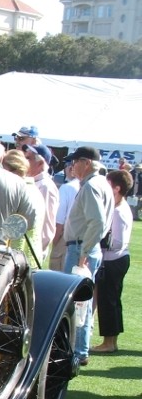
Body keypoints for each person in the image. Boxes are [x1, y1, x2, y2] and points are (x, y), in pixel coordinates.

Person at [63, 146, 115, 366]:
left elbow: (98, 221)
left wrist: (84, 251)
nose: (71, 167)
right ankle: (79, 350)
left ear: (85, 162)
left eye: (74, 162)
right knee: (81, 301)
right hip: (85, 247)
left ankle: (76, 351)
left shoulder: (92, 185)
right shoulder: (100, 183)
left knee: (76, 302)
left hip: (81, 249)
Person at [93, 169, 133, 353]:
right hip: (116, 259)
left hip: (113, 260)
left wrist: (99, 241)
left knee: (108, 301)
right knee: (111, 301)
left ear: (116, 188)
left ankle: (109, 342)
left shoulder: (118, 211)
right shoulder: (119, 207)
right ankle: (111, 341)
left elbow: (116, 242)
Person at [0, 149, 44, 257]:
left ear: (14, 171)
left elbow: (18, 229)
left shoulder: (22, 191)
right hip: (29, 253)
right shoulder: (32, 189)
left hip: (20, 256)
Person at [23, 143, 59, 262]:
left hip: (31, 251)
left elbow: (47, 225)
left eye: (28, 158)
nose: (24, 160)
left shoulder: (45, 186)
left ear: (40, 163)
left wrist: (36, 250)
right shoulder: (34, 183)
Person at [50, 155, 80, 271]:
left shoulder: (67, 188)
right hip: (82, 237)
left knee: (58, 272)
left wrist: (55, 241)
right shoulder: (86, 185)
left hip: (66, 235)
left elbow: (60, 220)